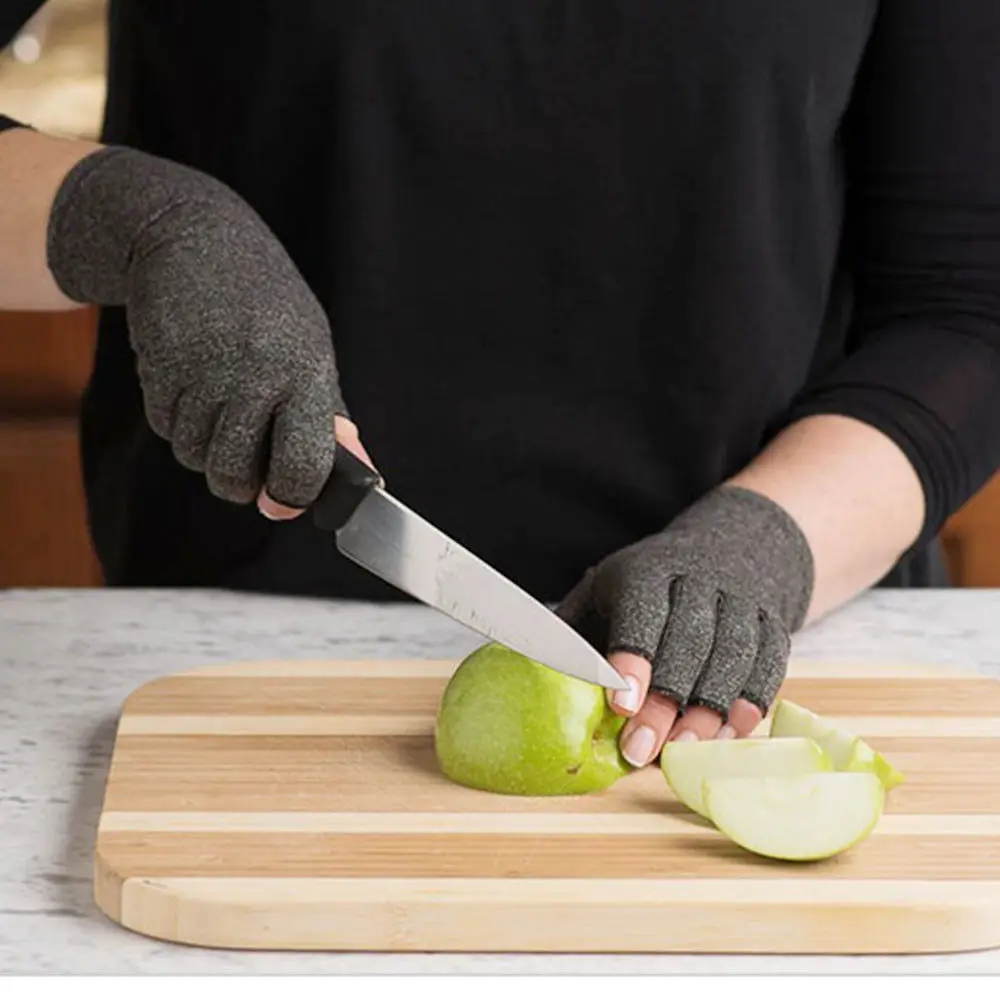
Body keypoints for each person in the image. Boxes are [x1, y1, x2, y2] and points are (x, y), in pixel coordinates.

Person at [1, 2, 998, 770]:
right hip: (239, 676)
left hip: (759, 684)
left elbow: (966, 310)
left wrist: (761, 545)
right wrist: (144, 224)